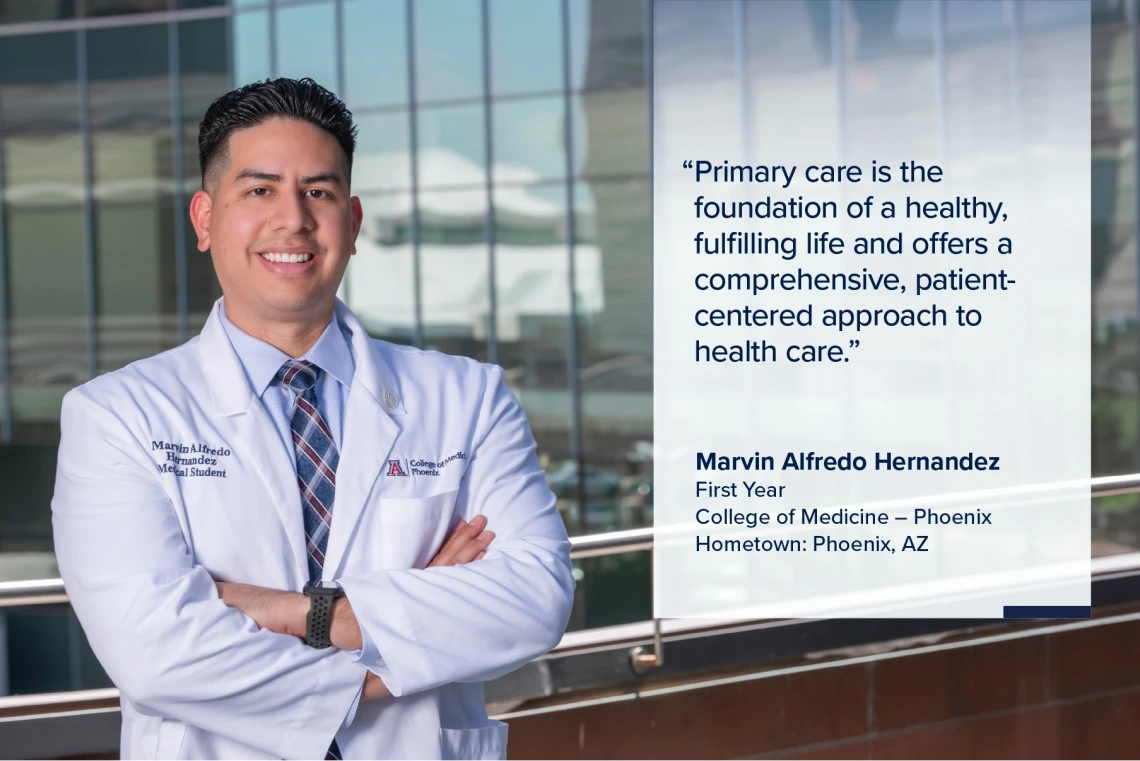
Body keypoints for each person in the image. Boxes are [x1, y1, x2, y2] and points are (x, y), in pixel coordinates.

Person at [50, 77, 575, 760]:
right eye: (260, 190)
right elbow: (158, 653)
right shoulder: (116, 415)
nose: (293, 219)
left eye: (318, 193)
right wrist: (407, 634)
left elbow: (535, 600)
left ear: (352, 224)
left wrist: (299, 612)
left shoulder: (467, 397)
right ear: (206, 220)